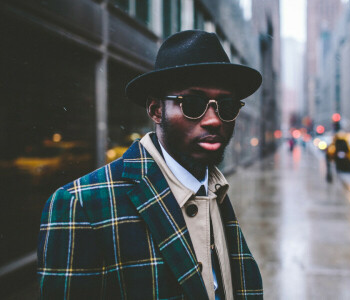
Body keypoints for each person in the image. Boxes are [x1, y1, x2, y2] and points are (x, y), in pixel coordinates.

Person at [37, 30, 263, 299]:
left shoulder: (215, 190)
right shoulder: (81, 206)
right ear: (157, 110)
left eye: (225, 106)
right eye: (193, 103)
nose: (214, 120)